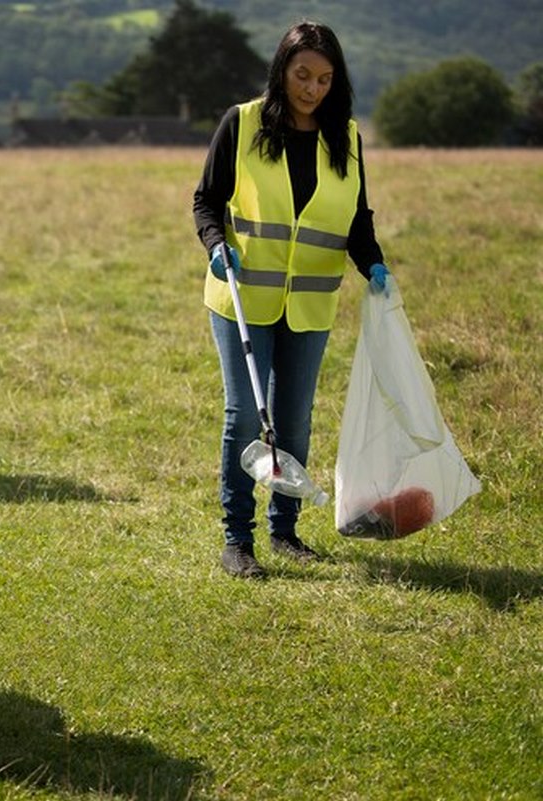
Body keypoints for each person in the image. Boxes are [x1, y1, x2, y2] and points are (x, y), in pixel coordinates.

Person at [192, 21, 391, 579]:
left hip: (308, 303)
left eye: (325, 79)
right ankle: (238, 540)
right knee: (244, 418)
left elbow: (357, 218)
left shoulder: (345, 138)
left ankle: (286, 531)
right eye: (303, 75)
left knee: (294, 422)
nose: (312, 89)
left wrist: (371, 262)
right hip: (242, 296)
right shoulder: (243, 122)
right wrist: (215, 244)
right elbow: (207, 199)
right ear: (282, 70)